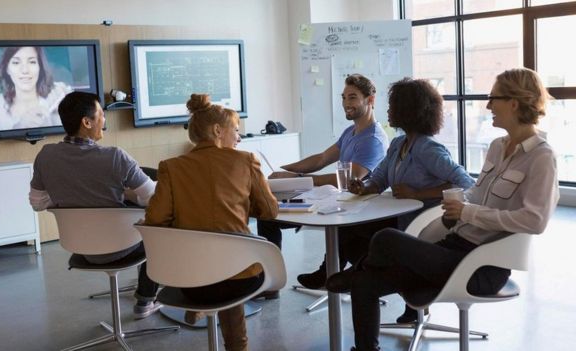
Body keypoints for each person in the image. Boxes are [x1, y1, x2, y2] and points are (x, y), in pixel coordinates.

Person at [326, 68, 559, 351]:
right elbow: (475, 190)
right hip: (454, 246)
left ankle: (354, 271)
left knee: (386, 237)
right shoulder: (498, 147)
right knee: (365, 284)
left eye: (493, 98)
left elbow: (534, 221)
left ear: (514, 102)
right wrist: (457, 203)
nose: (487, 106)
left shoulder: (541, 157)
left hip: (482, 264)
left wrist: (466, 211)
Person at [296, 78, 475, 293]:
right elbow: (379, 179)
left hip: (422, 223)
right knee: (346, 226)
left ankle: (351, 274)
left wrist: (419, 193)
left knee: (358, 231)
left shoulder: (428, 148)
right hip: (401, 217)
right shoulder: (398, 144)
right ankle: (342, 272)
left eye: (393, 106)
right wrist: (364, 187)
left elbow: (465, 183)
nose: (388, 111)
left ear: (408, 110)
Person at [144, 94, 278, 351]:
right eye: (235, 131)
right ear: (218, 130)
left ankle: (202, 311)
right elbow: (270, 211)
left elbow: (155, 220)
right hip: (239, 279)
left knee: (218, 267)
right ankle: (237, 346)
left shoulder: (170, 167)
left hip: (190, 280)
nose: (239, 138)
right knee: (233, 266)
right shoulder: (246, 160)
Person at [29, 91, 162, 320]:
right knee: (160, 233)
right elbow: (154, 200)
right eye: (101, 114)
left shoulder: (46, 155)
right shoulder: (115, 157)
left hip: (81, 247)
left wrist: (71, 194)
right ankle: (145, 300)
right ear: (86, 122)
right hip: (122, 245)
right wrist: (126, 194)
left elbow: (38, 203)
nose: (104, 120)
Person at [257, 74, 389, 293]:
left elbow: (350, 178)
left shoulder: (373, 139)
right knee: (269, 217)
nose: (346, 103)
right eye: (344, 97)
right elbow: (321, 159)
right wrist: (286, 170)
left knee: (275, 217)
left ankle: (326, 271)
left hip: (354, 207)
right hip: (333, 200)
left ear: (370, 101)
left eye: (353, 97)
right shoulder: (351, 132)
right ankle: (269, 283)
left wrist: (298, 179)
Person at [0, 46, 72, 132]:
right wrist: (20, 128)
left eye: (32, 62)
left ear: (40, 67)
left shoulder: (53, 102)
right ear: (7, 69)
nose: (25, 70)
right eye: (16, 62)